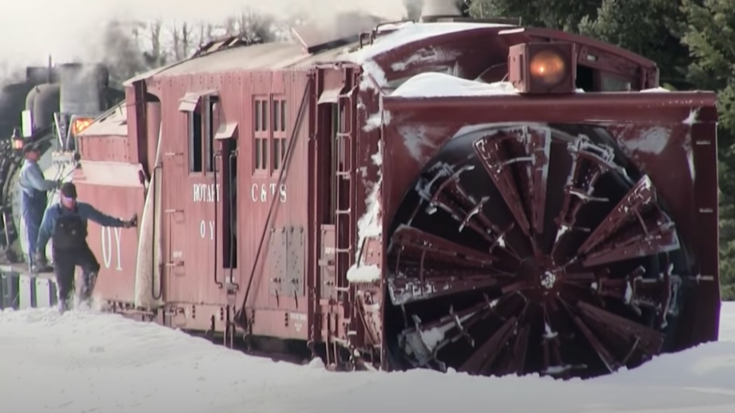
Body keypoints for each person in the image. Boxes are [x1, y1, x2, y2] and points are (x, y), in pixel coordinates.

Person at [35, 182, 137, 313]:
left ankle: (84, 299)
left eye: (73, 199)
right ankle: (64, 314)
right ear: (61, 197)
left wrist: (124, 223)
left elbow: (102, 219)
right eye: (68, 199)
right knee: (65, 291)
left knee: (92, 267)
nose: (71, 202)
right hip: (61, 253)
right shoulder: (52, 213)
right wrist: (39, 253)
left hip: (79, 248)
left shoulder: (83, 209)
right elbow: (43, 233)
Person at [19, 144, 60, 272]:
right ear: (27, 154)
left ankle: (39, 262)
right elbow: (40, 185)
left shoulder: (33, 167)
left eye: (38, 150)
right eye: (35, 151)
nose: (38, 152)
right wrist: (55, 184)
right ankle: (35, 264)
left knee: (38, 233)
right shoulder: (29, 168)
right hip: (32, 206)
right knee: (34, 233)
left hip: (36, 205)